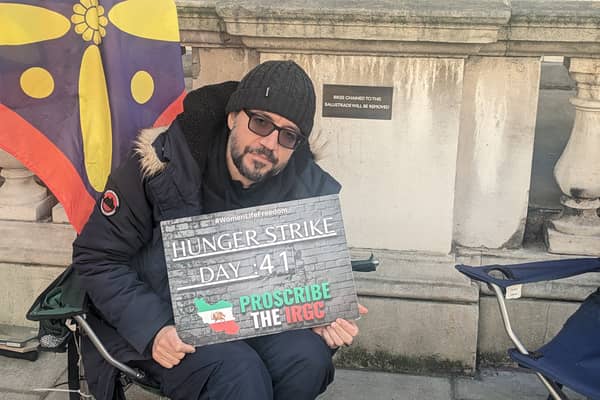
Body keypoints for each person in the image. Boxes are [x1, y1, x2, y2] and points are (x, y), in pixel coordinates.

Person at [72, 60, 368, 400]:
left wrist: (317, 310)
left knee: (307, 360)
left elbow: (298, 281)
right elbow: (97, 257)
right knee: (239, 373)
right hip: (166, 316)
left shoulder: (305, 191)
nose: (270, 143)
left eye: (287, 135)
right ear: (232, 117)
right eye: (260, 122)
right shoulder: (160, 166)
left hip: (253, 319)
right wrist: (153, 329)